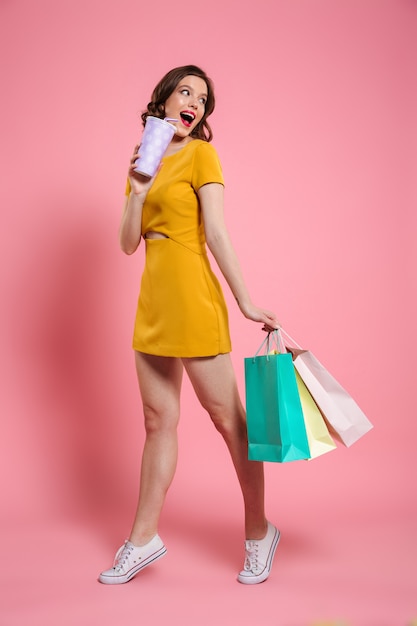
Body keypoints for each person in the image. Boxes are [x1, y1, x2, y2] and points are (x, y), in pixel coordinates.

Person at [98, 65, 281, 586]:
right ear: (163, 99)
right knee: (158, 424)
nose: (194, 103)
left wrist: (245, 301)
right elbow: (129, 242)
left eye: (203, 99)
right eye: (186, 91)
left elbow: (217, 232)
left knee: (230, 422)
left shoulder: (203, 154)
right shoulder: (144, 160)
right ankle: (143, 539)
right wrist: (137, 189)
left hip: (195, 299)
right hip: (153, 306)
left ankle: (258, 531)